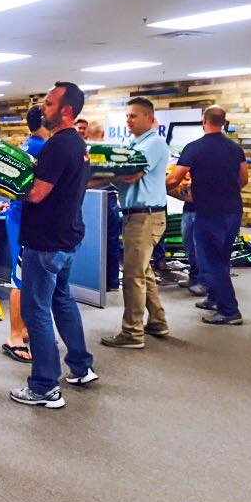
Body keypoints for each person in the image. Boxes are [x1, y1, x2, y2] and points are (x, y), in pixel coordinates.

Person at [9, 82, 97, 409]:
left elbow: (36, 194)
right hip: (66, 239)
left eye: (48, 104)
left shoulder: (58, 145)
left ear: (66, 111)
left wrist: (4, 182)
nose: (42, 109)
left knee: (36, 310)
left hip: (45, 243)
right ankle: (81, 366)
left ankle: (45, 386)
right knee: (62, 300)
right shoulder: (77, 144)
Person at [167, 105, 248, 325]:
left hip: (208, 212)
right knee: (221, 258)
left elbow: (174, 179)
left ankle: (230, 310)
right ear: (224, 122)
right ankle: (214, 299)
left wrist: (169, 189)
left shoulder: (194, 148)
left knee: (210, 262)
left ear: (204, 120)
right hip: (232, 210)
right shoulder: (234, 148)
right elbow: (244, 179)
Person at [101, 97, 170, 349]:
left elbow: (131, 175)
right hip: (134, 215)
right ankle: (158, 322)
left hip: (146, 216)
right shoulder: (132, 143)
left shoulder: (153, 143)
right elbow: (117, 173)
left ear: (149, 118)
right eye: (127, 116)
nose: (128, 120)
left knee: (132, 275)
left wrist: (95, 176)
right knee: (143, 271)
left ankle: (132, 333)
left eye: (133, 116)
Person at [1, 104, 48, 364]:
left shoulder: (30, 145)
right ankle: (15, 337)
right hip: (23, 219)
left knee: (27, 277)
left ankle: (26, 329)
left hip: (24, 218)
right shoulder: (40, 148)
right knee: (19, 278)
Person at [82, 121, 121, 290]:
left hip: (92, 202)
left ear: (87, 135)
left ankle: (97, 284)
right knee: (112, 243)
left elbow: (85, 179)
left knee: (93, 243)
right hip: (111, 200)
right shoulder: (111, 151)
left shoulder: (87, 152)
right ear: (103, 134)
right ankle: (112, 282)